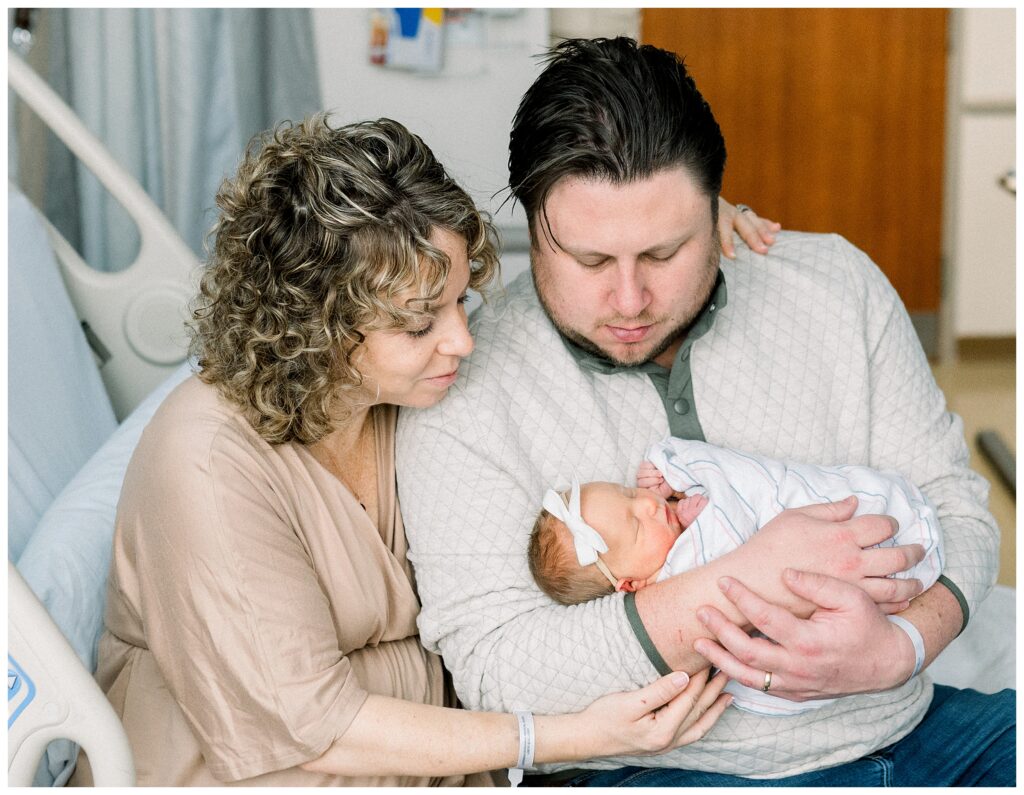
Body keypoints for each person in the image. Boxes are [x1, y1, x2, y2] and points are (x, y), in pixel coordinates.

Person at [70, 113, 781, 786]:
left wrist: (677, 228)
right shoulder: (207, 467)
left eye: (458, 301)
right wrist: (572, 734)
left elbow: (565, 278)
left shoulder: (406, 397)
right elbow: (316, 726)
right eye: (419, 324)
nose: (462, 341)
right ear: (315, 327)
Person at [395, 37, 1014, 786]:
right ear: (532, 228)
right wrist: (738, 581)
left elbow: (959, 509)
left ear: (717, 207)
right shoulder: (465, 380)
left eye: (663, 253)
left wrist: (907, 646)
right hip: (679, 769)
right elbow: (495, 671)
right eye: (590, 261)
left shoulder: (837, 285)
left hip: (919, 730)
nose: (629, 300)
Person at [528, 437, 945, 715]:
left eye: (630, 494)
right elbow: (727, 566)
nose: (651, 505)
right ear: (632, 585)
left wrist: (678, 483)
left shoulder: (673, 518)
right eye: (636, 526)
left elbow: (741, 493)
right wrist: (707, 523)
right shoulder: (672, 580)